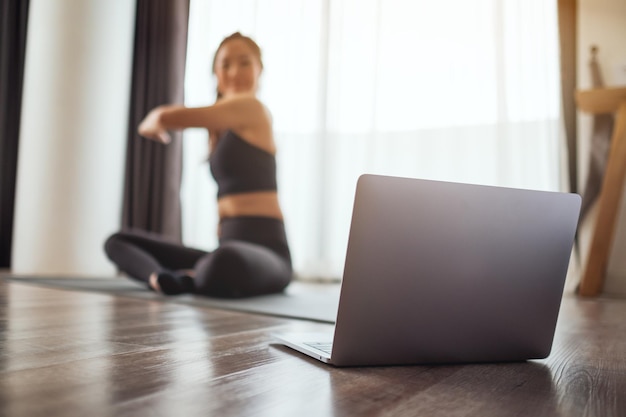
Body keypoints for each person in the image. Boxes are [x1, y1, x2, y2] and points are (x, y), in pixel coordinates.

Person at [104, 32, 292, 298]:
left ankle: (196, 276)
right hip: (228, 247)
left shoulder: (253, 109)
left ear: (260, 69)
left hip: (268, 253)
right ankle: (160, 278)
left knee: (223, 263)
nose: (235, 72)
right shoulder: (219, 128)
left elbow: (165, 117)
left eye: (244, 62)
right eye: (225, 65)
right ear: (215, 73)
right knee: (117, 242)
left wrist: (156, 119)